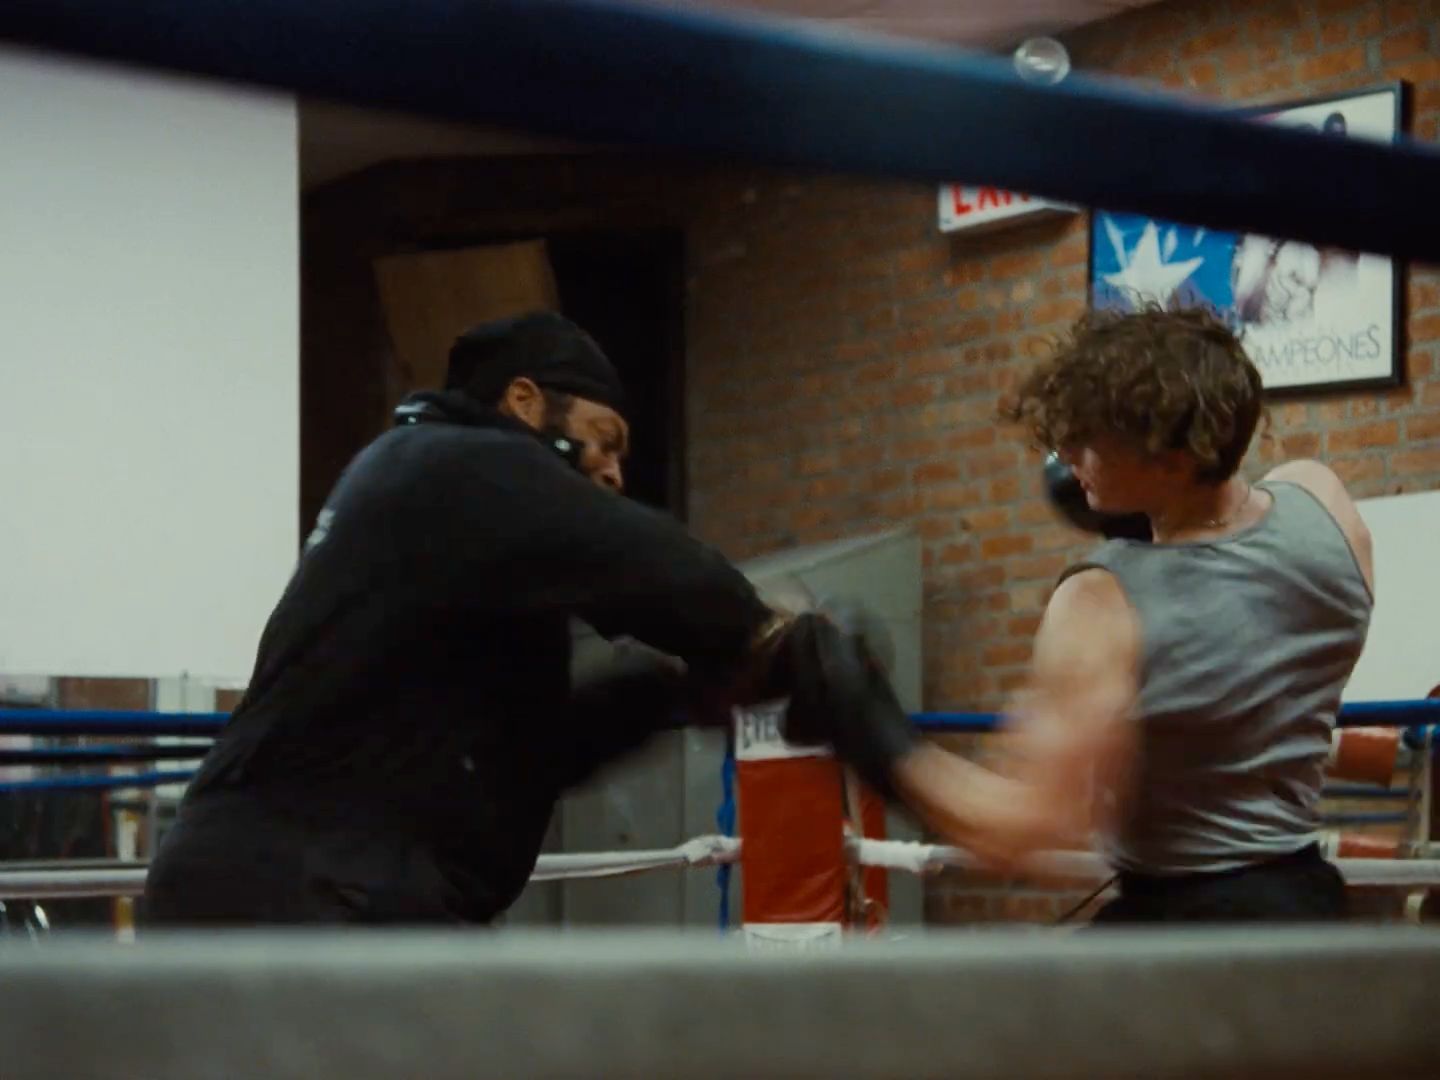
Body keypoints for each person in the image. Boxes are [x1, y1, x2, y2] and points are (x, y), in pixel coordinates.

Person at [141, 311, 967, 926]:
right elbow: (668, 571)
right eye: (602, 442)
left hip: (315, 891)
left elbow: (523, 755)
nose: (610, 474)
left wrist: (671, 697)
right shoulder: (448, 461)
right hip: (307, 897)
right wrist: (787, 648)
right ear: (525, 401)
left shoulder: (456, 540)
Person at [919, 304, 1374, 923]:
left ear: (1176, 456)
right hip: (1308, 901)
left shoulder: (1103, 598)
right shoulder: (1323, 502)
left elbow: (1021, 826)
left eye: (1090, 441)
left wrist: (863, 722)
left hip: (1187, 922)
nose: (1065, 455)